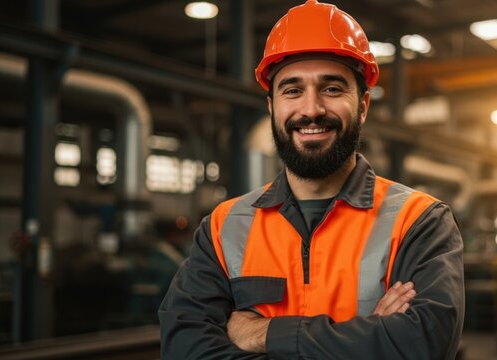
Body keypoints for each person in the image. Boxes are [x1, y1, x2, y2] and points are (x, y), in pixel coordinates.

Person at [158, 1, 464, 358]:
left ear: (363, 105)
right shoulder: (224, 228)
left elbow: (421, 344)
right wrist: (370, 337)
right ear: (272, 106)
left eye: (332, 89)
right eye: (292, 90)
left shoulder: (420, 222)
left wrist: (265, 333)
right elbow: (184, 348)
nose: (311, 109)